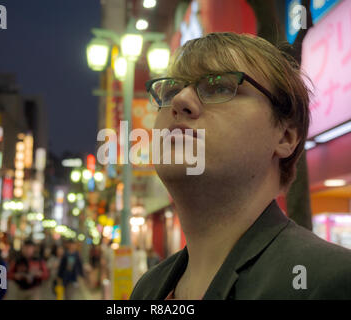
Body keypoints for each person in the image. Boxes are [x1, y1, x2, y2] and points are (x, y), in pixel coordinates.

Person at [130, 32, 351, 300]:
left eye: (219, 87)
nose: (180, 101)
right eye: (172, 90)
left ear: (285, 137)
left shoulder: (329, 281)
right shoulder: (147, 289)